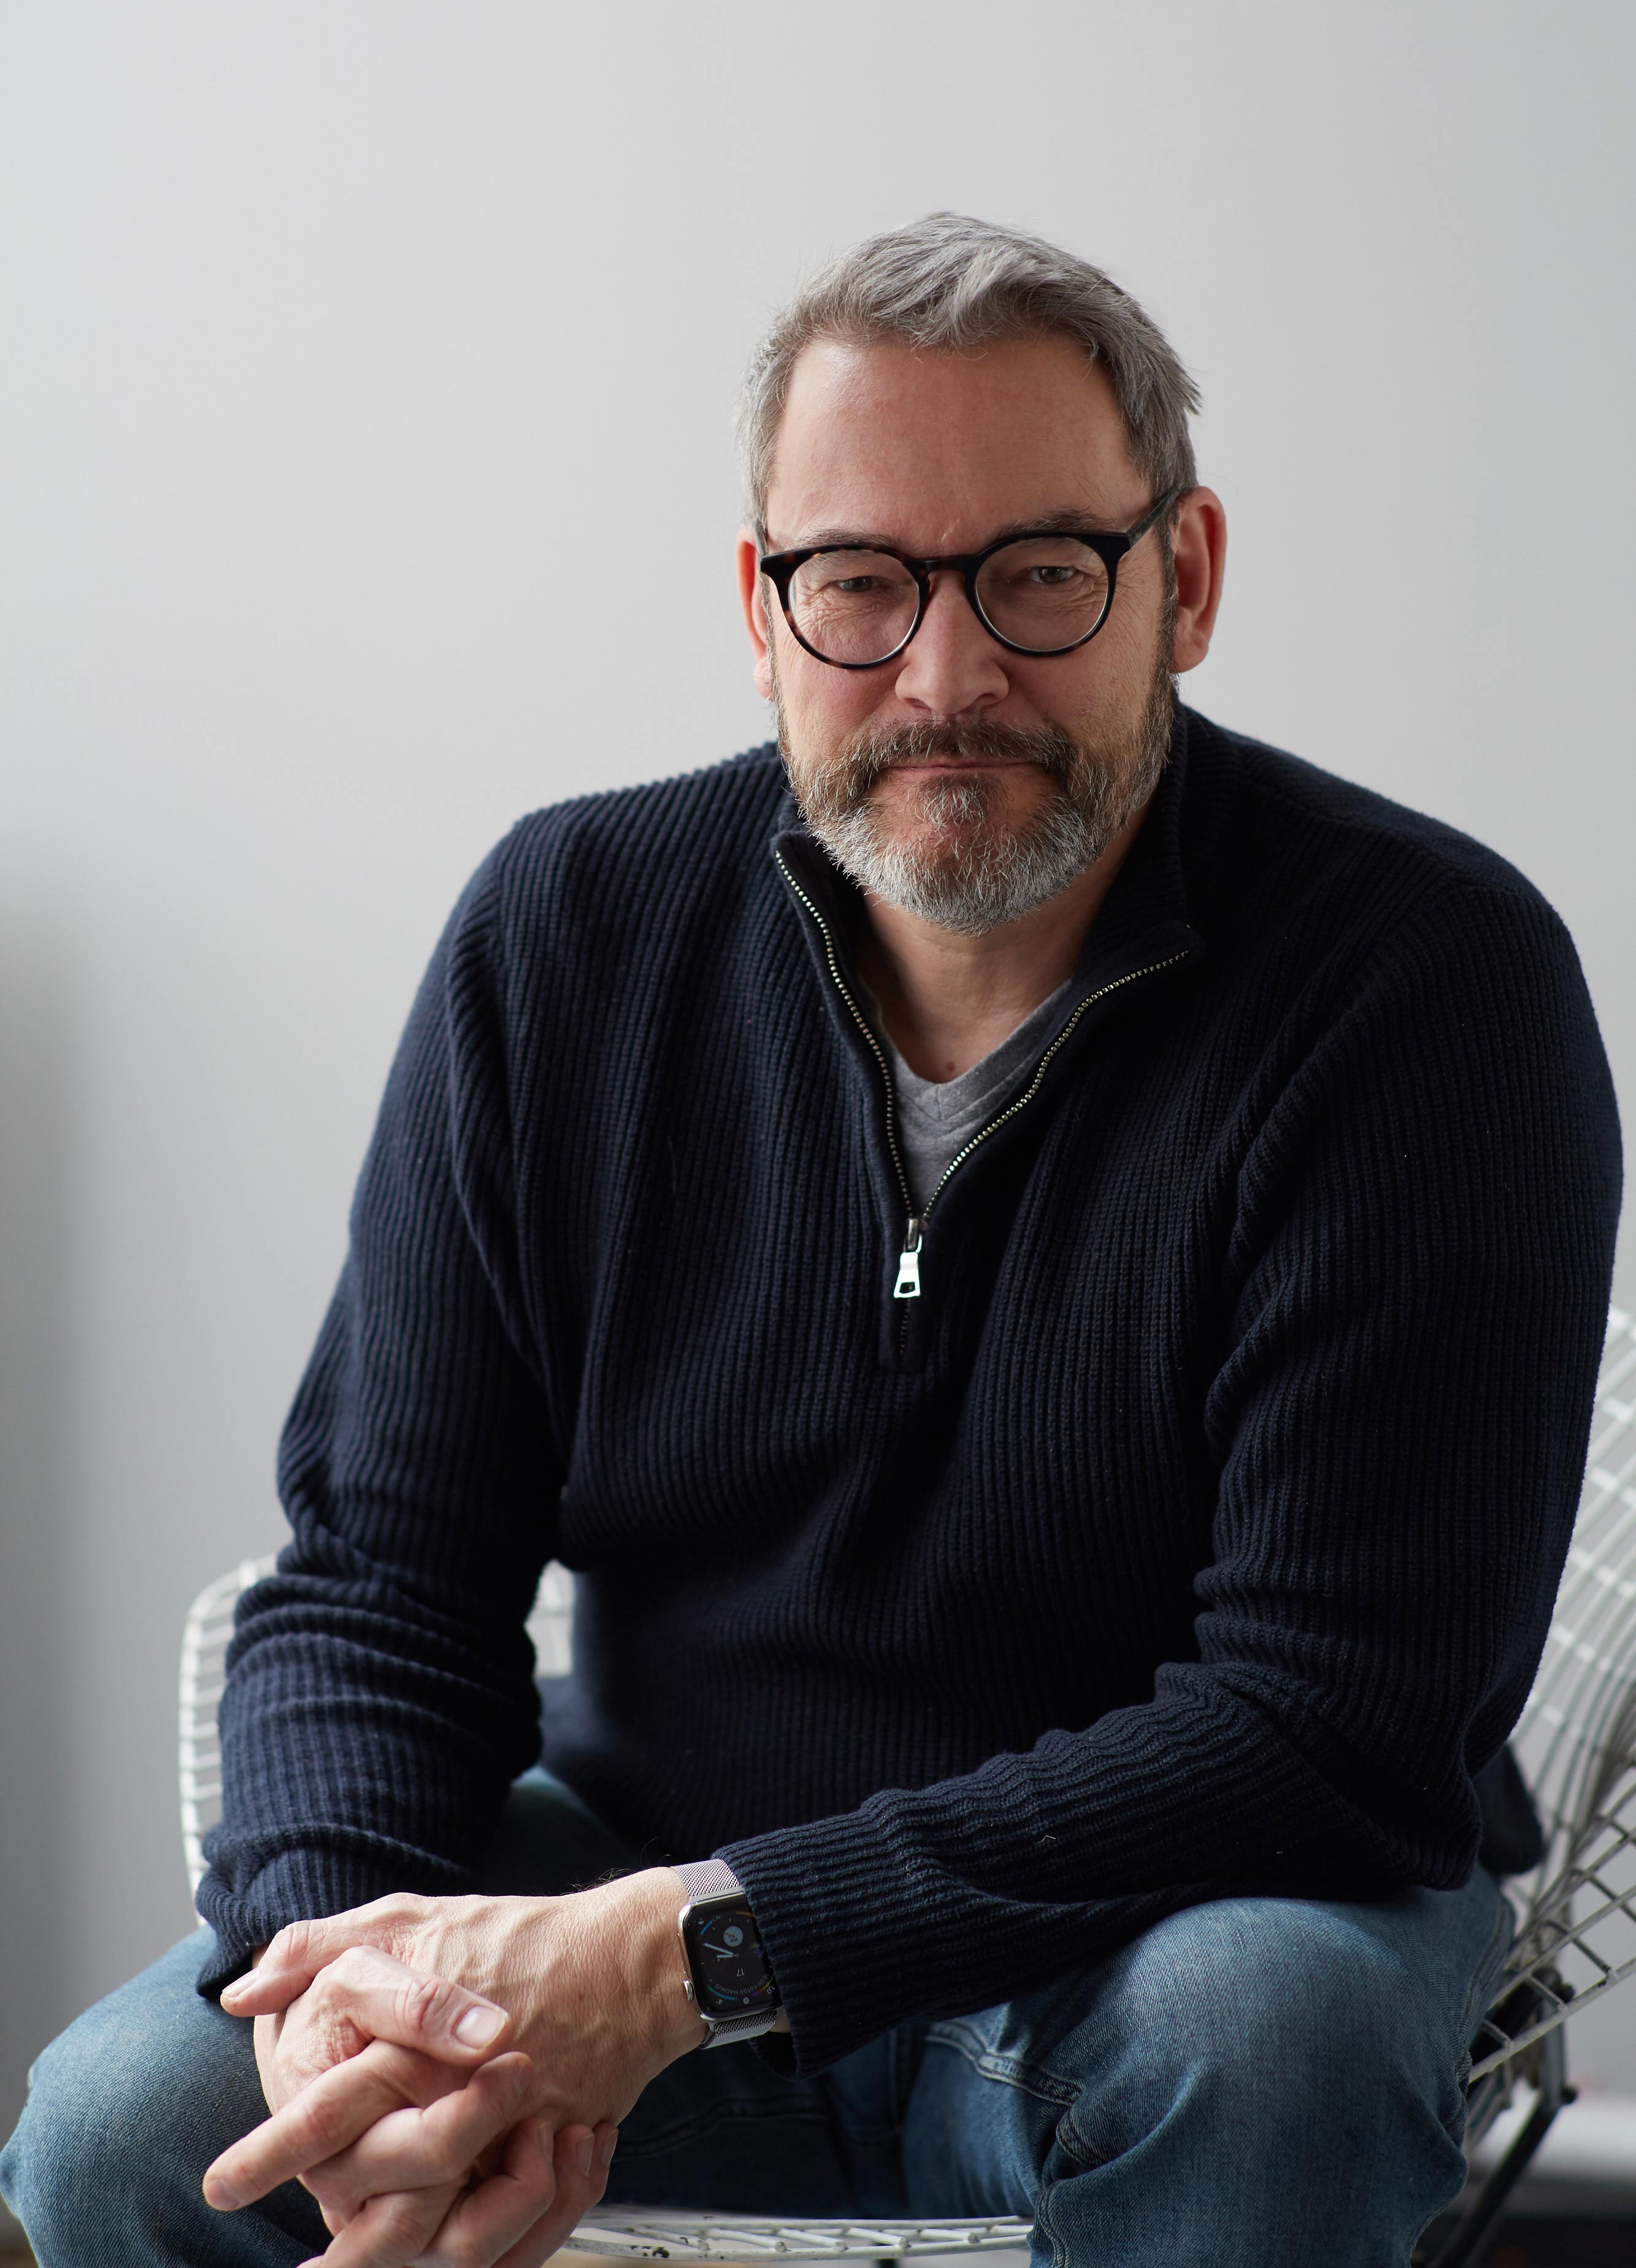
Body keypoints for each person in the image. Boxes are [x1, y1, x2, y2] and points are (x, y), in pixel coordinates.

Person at [2, 212, 1621, 2268]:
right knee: (124, 2125)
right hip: (635, 1873)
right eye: (859, 582)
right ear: (760, 610)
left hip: (1157, 1931)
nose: (945, 677)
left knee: (1266, 2035)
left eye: (1039, 573)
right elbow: (381, 1581)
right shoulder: (564, 939)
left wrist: (693, 1951)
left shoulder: (1425, 987)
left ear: (1185, 578)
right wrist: (355, 1984)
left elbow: (1323, 1726)